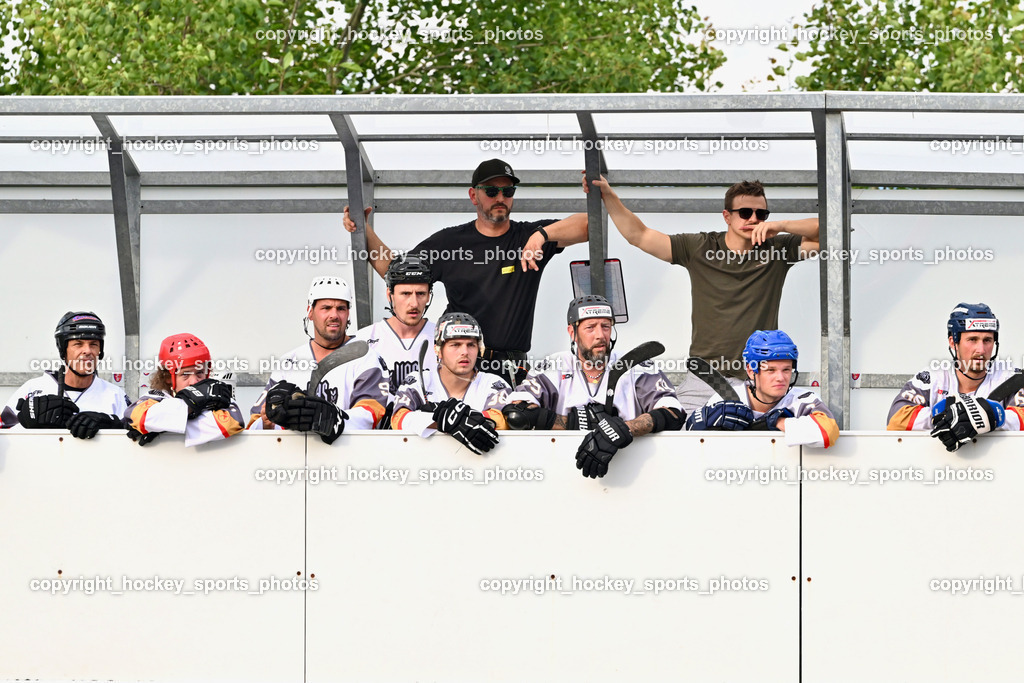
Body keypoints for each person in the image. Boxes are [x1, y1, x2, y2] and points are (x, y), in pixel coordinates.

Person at [583, 175, 820, 413]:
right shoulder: (700, 247)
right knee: (682, 435)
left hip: (755, 381)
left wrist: (781, 226)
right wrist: (608, 196)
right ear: (727, 216)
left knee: (756, 446)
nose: (754, 220)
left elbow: (831, 235)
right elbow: (640, 236)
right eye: (745, 213)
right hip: (704, 377)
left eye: (762, 215)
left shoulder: (778, 249)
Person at [344, 158, 589, 385]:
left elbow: (589, 226)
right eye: (492, 191)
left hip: (512, 369)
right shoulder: (450, 243)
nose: (500, 197)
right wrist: (363, 231)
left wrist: (541, 235)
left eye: (508, 191)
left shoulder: (527, 236)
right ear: (474, 195)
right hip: (459, 366)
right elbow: (396, 272)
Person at [502, 295, 684, 478]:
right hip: (563, 475)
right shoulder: (555, 365)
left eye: (606, 326)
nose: (600, 335)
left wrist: (625, 428)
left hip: (631, 474)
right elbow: (517, 413)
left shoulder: (634, 365)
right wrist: (577, 423)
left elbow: (673, 413)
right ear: (572, 332)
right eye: (590, 327)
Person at [249, 275, 388, 440]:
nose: (334, 315)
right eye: (326, 308)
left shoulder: (365, 356)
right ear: (310, 312)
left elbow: (371, 414)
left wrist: (330, 418)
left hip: (347, 456)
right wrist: (268, 422)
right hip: (295, 459)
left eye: (341, 308)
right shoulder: (289, 361)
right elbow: (252, 427)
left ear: (348, 314)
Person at [887, 303, 1024, 451]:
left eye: (987, 340)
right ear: (953, 342)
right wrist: (950, 416)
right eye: (972, 339)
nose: (981, 349)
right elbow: (896, 420)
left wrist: (988, 416)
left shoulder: (1012, 379)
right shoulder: (933, 378)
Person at [686, 330, 839, 448]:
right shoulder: (726, 398)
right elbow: (691, 444)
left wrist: (777, 422)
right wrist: (702, 421)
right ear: (751, 371)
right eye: (771, 370)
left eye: (786, 370)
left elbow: (829, 431)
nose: (780, 378)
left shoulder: (802, 399)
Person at [390, 312, 509, 454]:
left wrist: (457, 420)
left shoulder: (493, 383)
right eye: (455, 345)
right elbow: (398, 419)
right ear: (438, 350)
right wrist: (443, 421)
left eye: (471, 345)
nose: (465, 352)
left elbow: (503, 420)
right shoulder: (419, 380)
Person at [1, 311, 128, 439]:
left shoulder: (115, 395)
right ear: (63, 349)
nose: (88, 351)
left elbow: (134, 439)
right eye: (78, 344)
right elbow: (3, 431)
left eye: (94, 344)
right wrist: (25, 422)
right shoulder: (33, 389)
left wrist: (112, 425)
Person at [352, 254, 437, 424]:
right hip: (376, 438)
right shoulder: (363, 339)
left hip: (428, 435)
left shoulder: (443, 338)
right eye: (405, 293)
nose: (414, 303)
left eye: (420, 293)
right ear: (389, 294)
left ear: (429, 296)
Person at [124, 333, 244, 447]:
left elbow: (232, 424)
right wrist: (192, 404)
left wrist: (163, 426)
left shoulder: (217, 395)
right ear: (167, 377)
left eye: (199, 373)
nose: (194, 381)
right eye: (185, 374)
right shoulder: (157, 396)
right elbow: (136, 417)